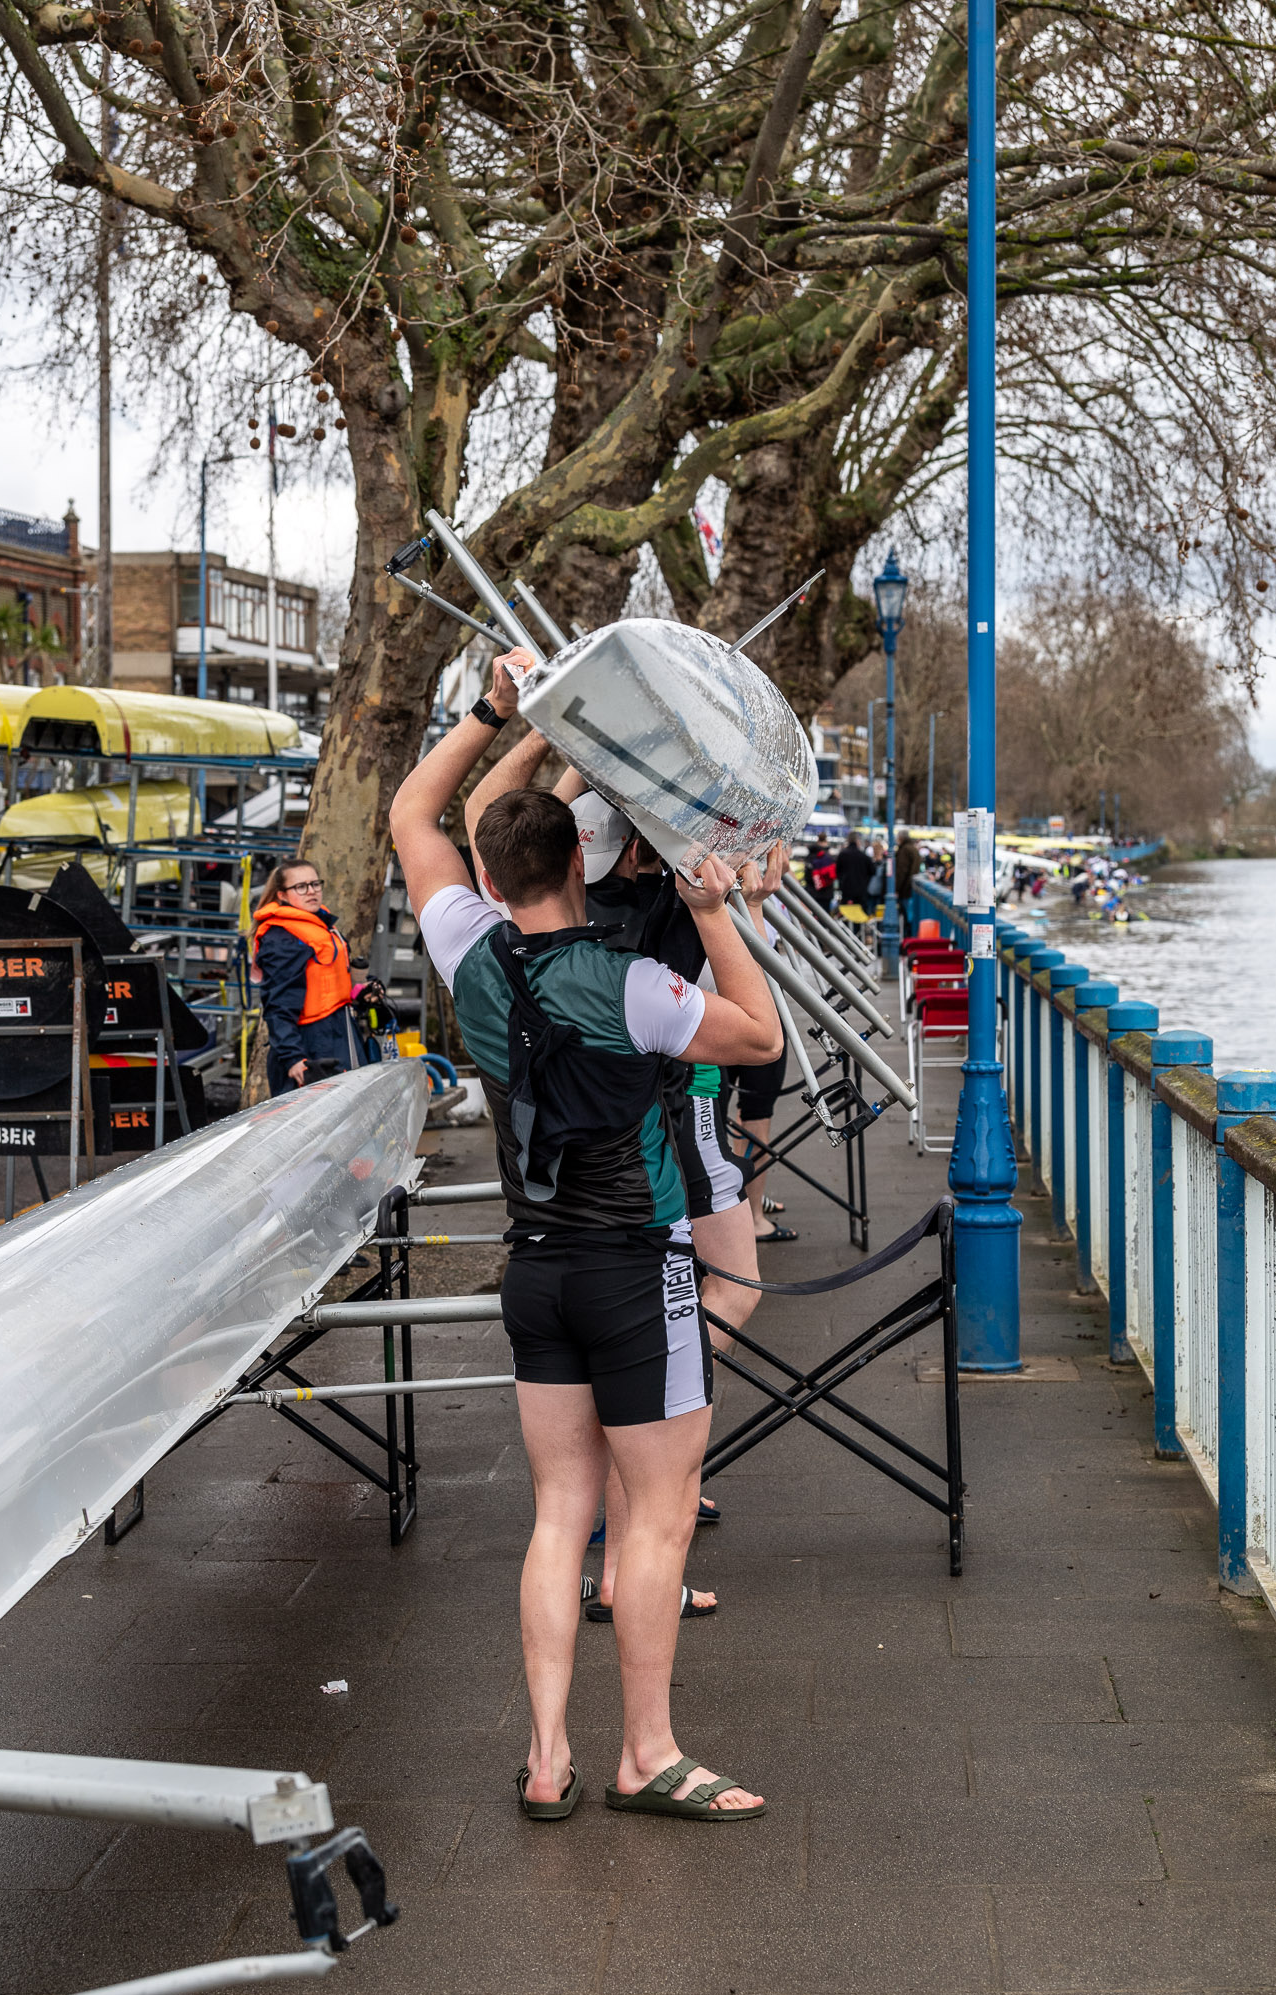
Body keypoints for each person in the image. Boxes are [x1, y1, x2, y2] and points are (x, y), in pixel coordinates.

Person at [389, 650, 781, 1821]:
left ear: (494, 872)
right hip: (639, 1268)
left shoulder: (467, 947)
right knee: (653, 1520)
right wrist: (712, 916)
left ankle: (549, 1752)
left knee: (564, 1510)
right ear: (580, 861)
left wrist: (502, 715)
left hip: (537, 1268)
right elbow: (758, 1039)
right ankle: (644, 1752)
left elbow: (422, 810)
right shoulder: (629, 984)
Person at [251, 861, 378, 1095]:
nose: (311, 891)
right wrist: (293, 1059)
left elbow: (325, 981)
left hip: (339, 1031)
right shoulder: (283, 939)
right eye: (300, 887)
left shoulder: (322, 925)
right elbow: (277, 1005)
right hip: (310, 1042)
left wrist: (360, 991)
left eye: (314, 884)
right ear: (282, 895)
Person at [835, 832, 872, 912]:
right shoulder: (863, 856)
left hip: (846, 889)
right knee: (860, 913)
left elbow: (838, 871)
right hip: (861, 890)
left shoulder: (842, 854)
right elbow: (872, 871)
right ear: (857, 841)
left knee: (847, 913)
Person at [894, 828, 919, 936]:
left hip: (905, 890)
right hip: (910, 888)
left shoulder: (904, 850)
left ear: (900, 838)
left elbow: (901, 871)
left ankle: (907, 939)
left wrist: (896, 888)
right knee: (910, 917)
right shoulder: (913, 848)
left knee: (906, 918)